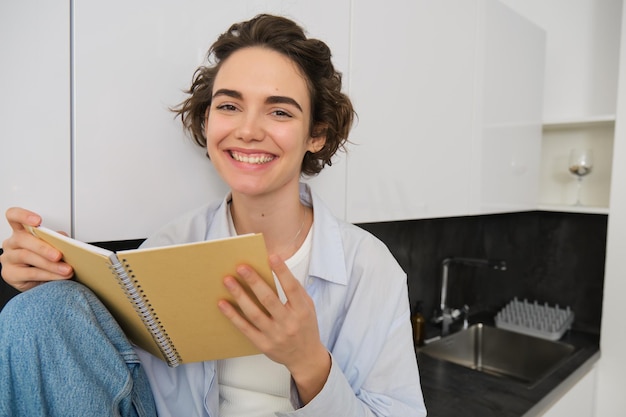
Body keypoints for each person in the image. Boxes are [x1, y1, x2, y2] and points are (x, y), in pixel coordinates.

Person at [0, 14, 427, 417]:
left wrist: (309, 362)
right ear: (207, 121)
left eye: (279, 111)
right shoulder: (170, 247)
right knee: (38, 311)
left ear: (317, 133)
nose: (248, 130)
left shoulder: (369, 270)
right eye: (229, 106)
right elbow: (98, 367)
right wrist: (48, 281)